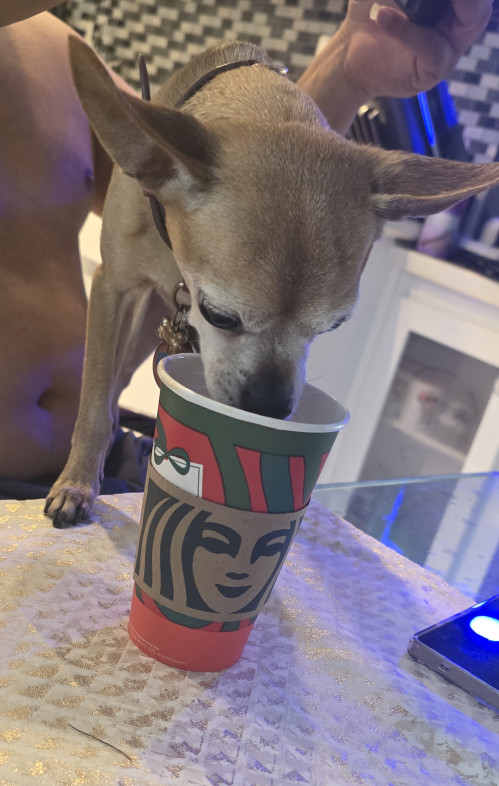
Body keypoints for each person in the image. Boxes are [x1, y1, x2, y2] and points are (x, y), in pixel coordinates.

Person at [0, 0, 492, 496]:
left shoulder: (49, 52)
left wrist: (349, 71)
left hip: (108, 461)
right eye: (225, 314)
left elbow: (244, 182)